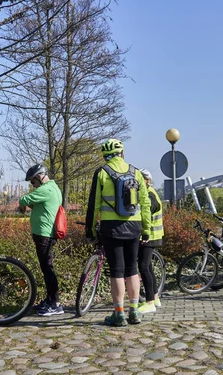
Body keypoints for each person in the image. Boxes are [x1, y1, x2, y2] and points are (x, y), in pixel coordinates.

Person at [85, 139, 151, 327]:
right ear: (122, 153)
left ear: (105, 156)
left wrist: (89, 231)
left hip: (111, 228)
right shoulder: (136, 172)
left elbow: (93, 205)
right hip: (134, 226)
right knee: (132, 269)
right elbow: (145, 204)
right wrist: (146, 230)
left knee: (117, 271)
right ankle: (135, 312)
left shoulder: (102, 173)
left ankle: (119, 314)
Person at [18, 164, 64, 316]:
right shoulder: (52, 188)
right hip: (45, 234)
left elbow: (24, 199)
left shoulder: (46, 189)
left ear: (39, 177)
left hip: (44, 234)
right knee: (46, 269)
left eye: (33, 182)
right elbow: (35, 202)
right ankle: (50, 299)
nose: (33, 186)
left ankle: (55, 304)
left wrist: (23, 204)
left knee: (48, 269)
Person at [136, 169, 164, 314]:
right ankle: (155, 297)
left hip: (150, 236)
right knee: (149, 267)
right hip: (151, 235)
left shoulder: (150, 194)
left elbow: (147, 212)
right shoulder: (148, 192)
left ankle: (149, 302)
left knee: (144, 266)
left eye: (141, 179)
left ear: (147, 180)